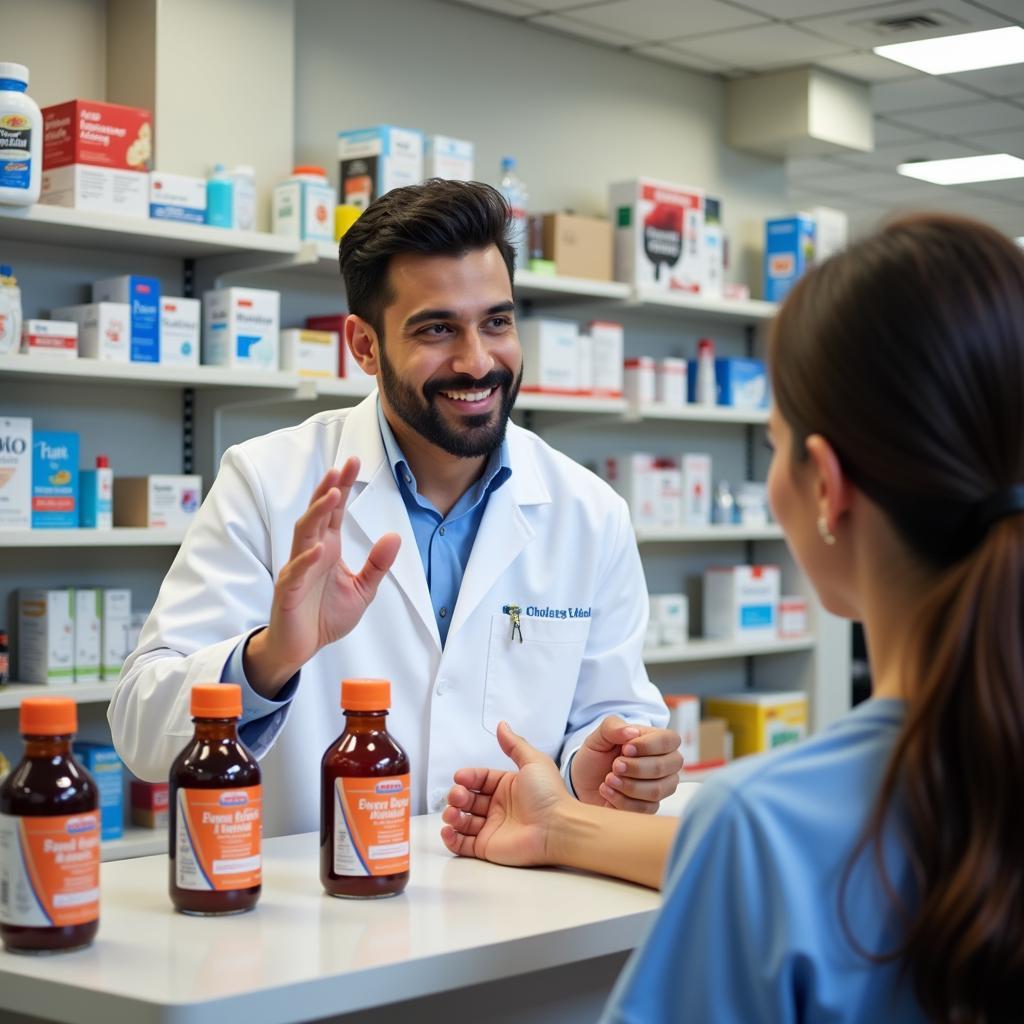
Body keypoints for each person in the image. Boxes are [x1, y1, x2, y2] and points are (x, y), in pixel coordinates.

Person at [441, 213, 1024, 1023]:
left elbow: (778, 853)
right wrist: (561, 826)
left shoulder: (765, 827)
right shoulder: (793, 829)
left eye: (775, 441)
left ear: (825, 485)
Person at [110, 180, 681, 837]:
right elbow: (141, 733)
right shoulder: (268, 482)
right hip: (317, 919)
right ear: (364, 346)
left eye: (496, 321)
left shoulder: (589, 512)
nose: (477, 362)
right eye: (438, 329)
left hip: (524, 914)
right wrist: (270, 657)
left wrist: (610, 768)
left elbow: (605, 720)